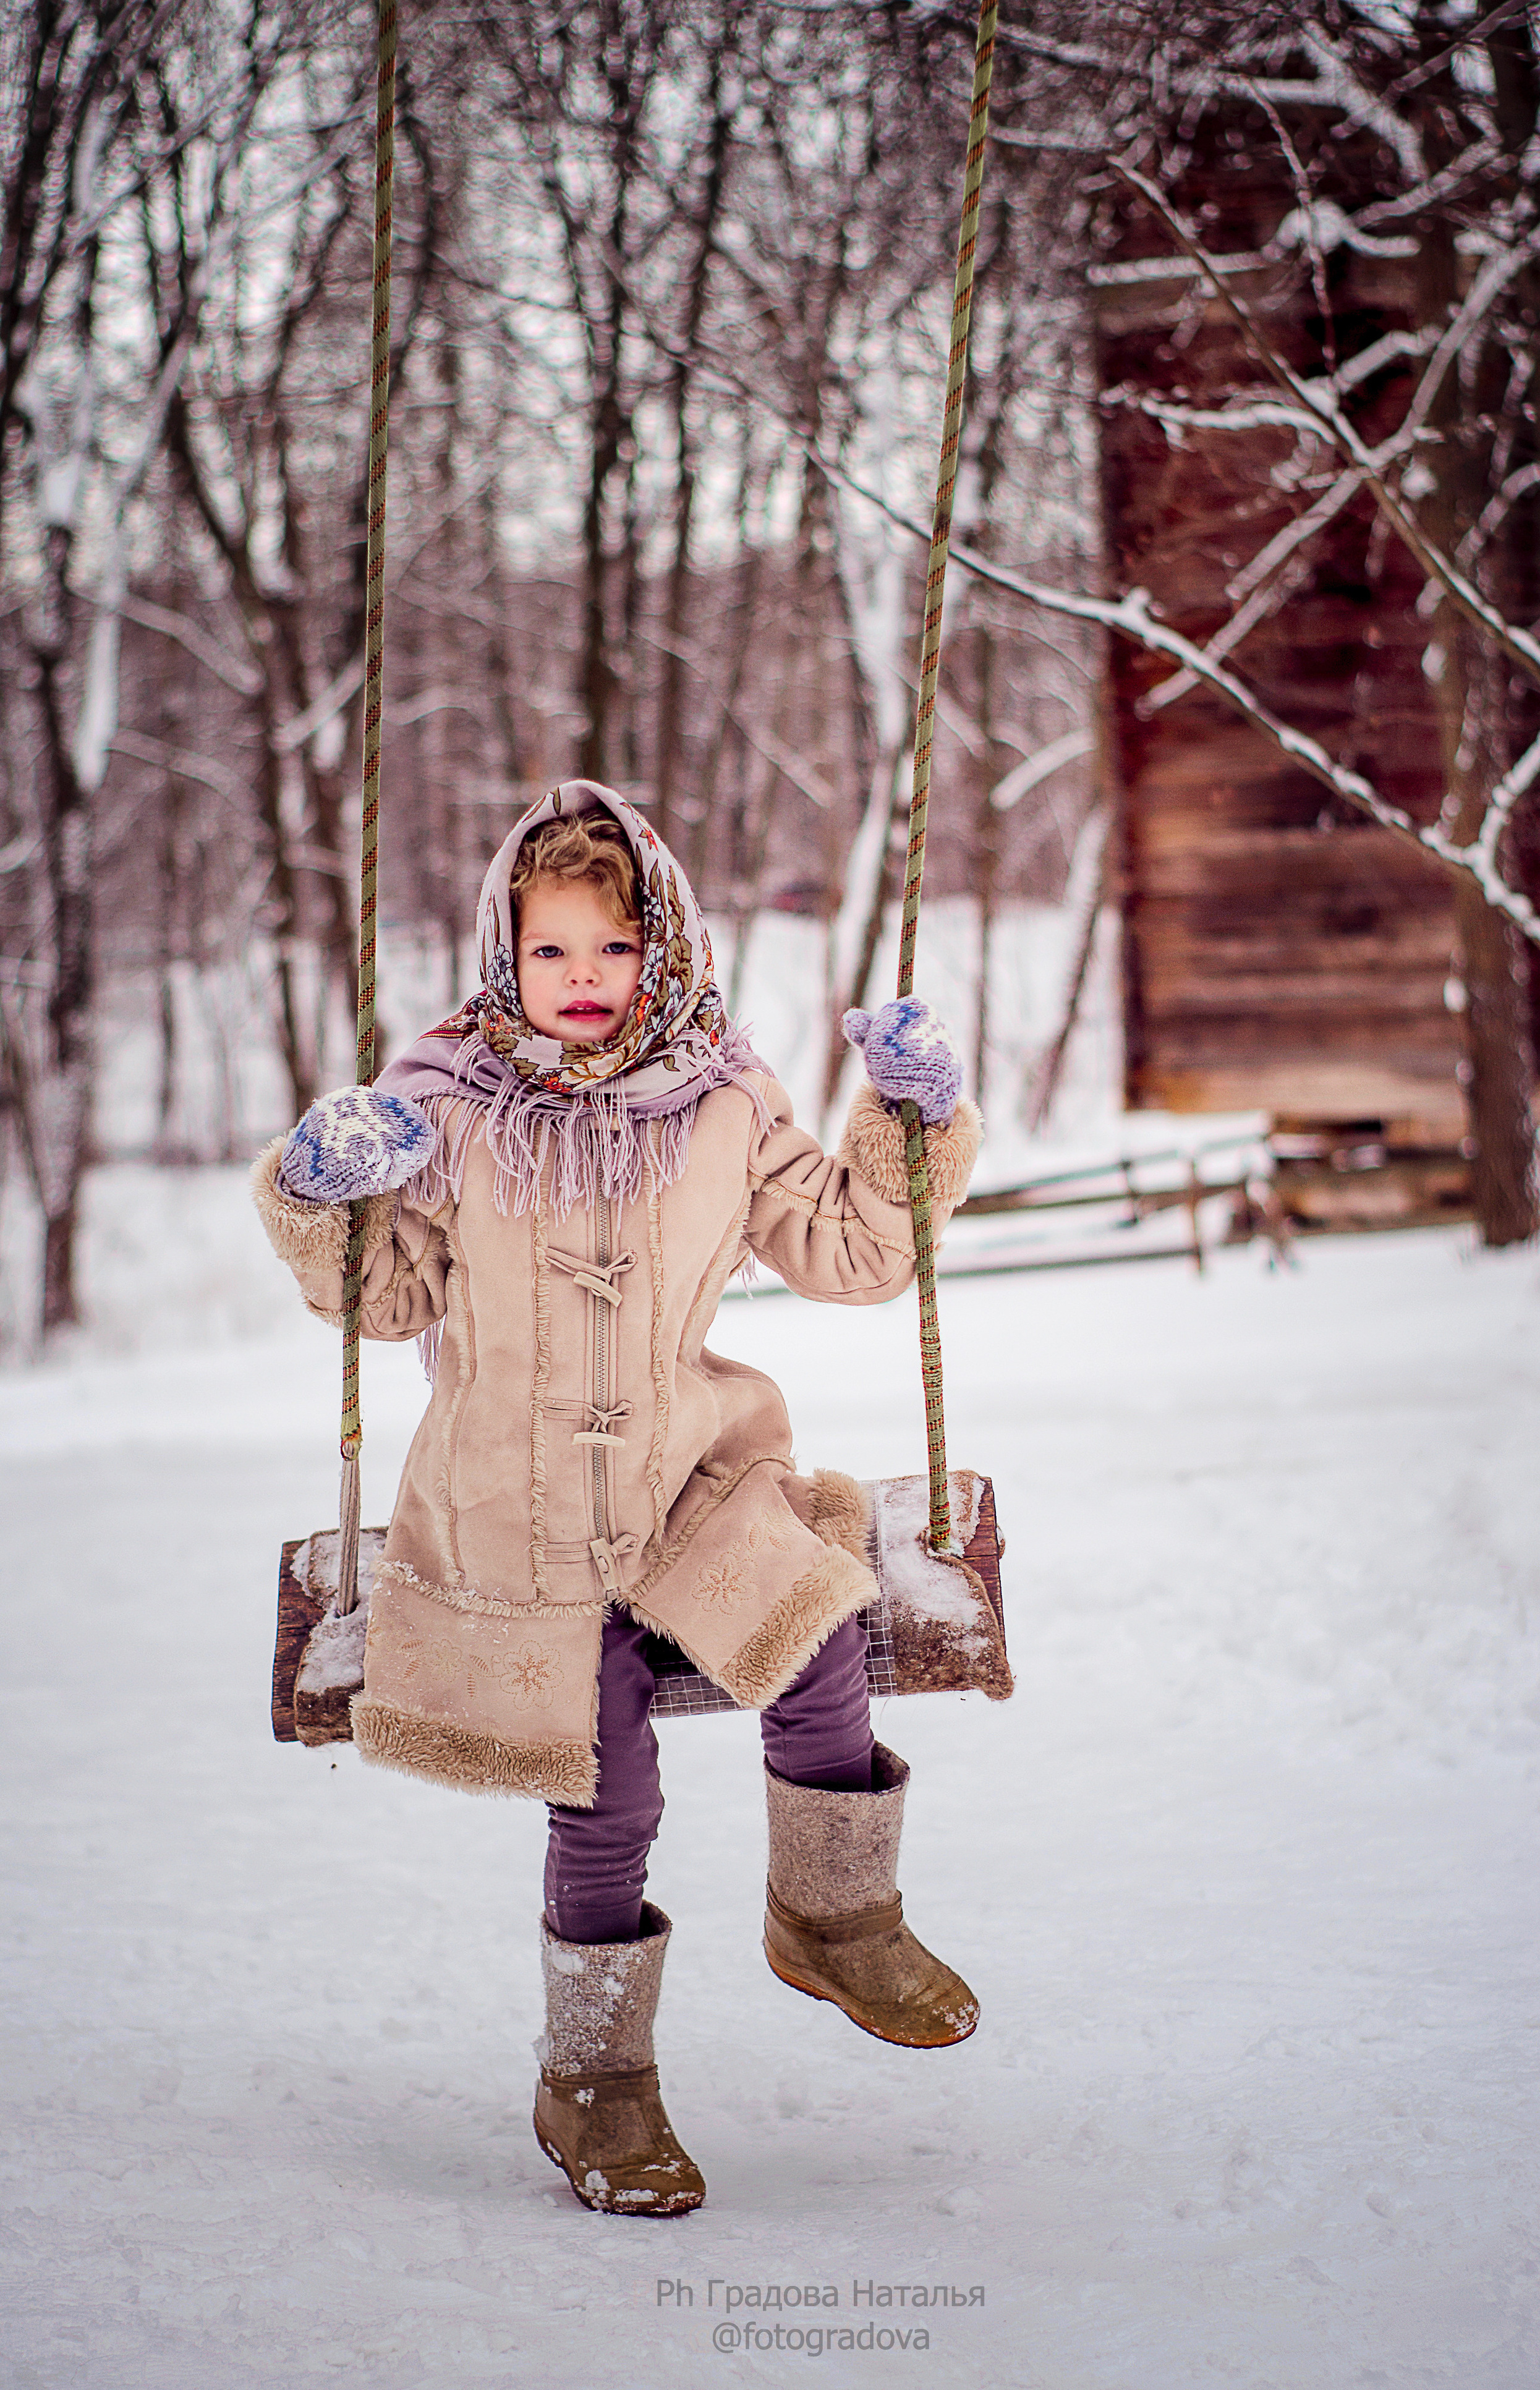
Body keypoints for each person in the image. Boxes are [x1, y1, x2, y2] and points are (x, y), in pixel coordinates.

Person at [253, 779, 982, 2219]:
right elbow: (382, 1295)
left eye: (611, 948)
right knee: (604, 1786)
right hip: (508, 1514)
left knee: (815, 1622)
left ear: (667, 945)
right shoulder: (443, 1107)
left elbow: (851, 1253)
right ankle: (594, 2078)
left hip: (684, 1469)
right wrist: (321, 1190)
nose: (582, 981)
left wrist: (910, 1123)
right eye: (549, 952)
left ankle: (832, 1913)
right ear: (501, 955)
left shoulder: (721, 1097)